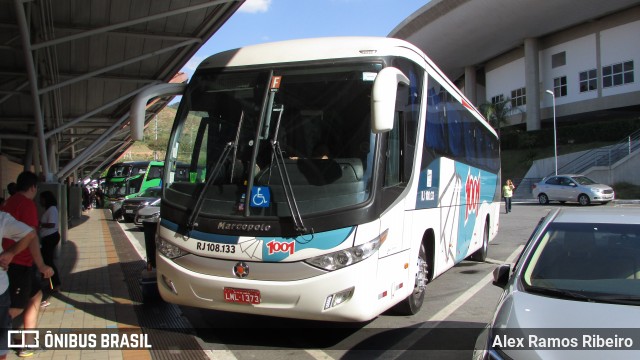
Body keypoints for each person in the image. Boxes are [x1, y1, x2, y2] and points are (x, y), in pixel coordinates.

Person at [0, 171, 52, 357]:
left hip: (13, 263)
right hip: (18, 263)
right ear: (33, 187)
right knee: (14, 309)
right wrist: (42, 265)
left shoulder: (8, 203)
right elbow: (30, 237)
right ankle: (19, 341)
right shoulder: (27, 205)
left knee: (36, 295)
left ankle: (28, 340)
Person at [38, 191, 61, 307]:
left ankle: (56, 284)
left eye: (42, 199)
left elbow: (51, 224)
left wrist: (40, 224)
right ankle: (52, 283)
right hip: (48, 237)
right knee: (47, 260)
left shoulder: (51, 209)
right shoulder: (50, 209)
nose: (40, 201)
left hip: (50, 237)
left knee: (48, 261)